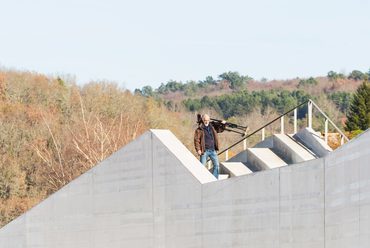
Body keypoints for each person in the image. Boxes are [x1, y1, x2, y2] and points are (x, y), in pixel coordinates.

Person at [194, 114, 225, 179]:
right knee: (202, 166)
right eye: (205, 120)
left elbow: (220, 130)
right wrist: (198, 149)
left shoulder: (212, 127)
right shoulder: (199, 129)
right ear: (203, 120)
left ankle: (214, 179)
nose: (206, 121)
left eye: (208, 120)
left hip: (213, 150)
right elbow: (196, 140)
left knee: (217, 165)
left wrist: (223, 124)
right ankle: (202, 179)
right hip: (204, 151)